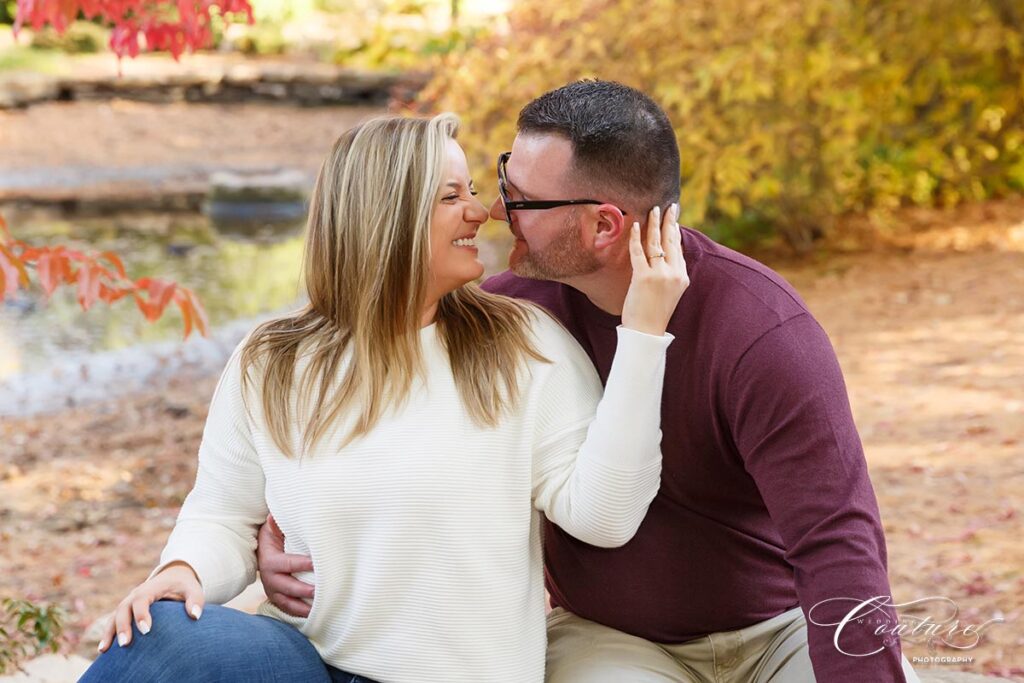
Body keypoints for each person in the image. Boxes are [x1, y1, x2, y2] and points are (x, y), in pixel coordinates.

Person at [260, 81, 921, 682]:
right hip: (611, 641)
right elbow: (384, 393)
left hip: (780, 633)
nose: (493, 209)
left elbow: (839, 546)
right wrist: (283, 520)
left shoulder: (762, 335)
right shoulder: (512, 321)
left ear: (603, 224)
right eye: (502, 181)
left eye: (521, 199)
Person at [79, 113, 688, 683]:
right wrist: (182, 570)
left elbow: (606, 517)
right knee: (163, 630)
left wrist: (641, 336)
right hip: (305, 663)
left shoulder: (522, 347)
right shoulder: (274, 359)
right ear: (384, 217)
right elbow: (222, 514)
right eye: (452, 197)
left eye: (470, 190)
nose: (481, 212)